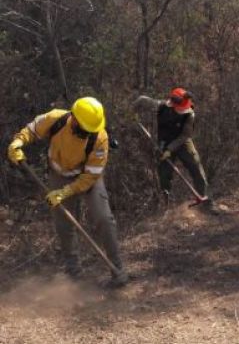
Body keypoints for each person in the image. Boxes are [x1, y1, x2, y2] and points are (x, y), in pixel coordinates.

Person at [7, 97, 129, 287]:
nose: (87, 133)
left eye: (91, 130)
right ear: (74, 118)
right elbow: (31, 130)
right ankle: (74, 272)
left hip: (87, 178)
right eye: (84, 128)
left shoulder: (100, 138)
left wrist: (65, 193)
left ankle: (118, 269)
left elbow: (91, 176)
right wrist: (17, 143)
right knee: (64, 224)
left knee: (104, 219)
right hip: (59, 174)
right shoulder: (56, 119)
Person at [133, 88, 216, 211]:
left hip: (182, 141)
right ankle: (166, 207)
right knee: (164, 174)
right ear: (173, 104)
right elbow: (142, 100)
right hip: (164, 143)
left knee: (196, 166)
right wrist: (133, 112)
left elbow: (185, 135)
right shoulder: (161, 106)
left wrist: (170, 149)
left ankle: (206, 201)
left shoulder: (189, 114)